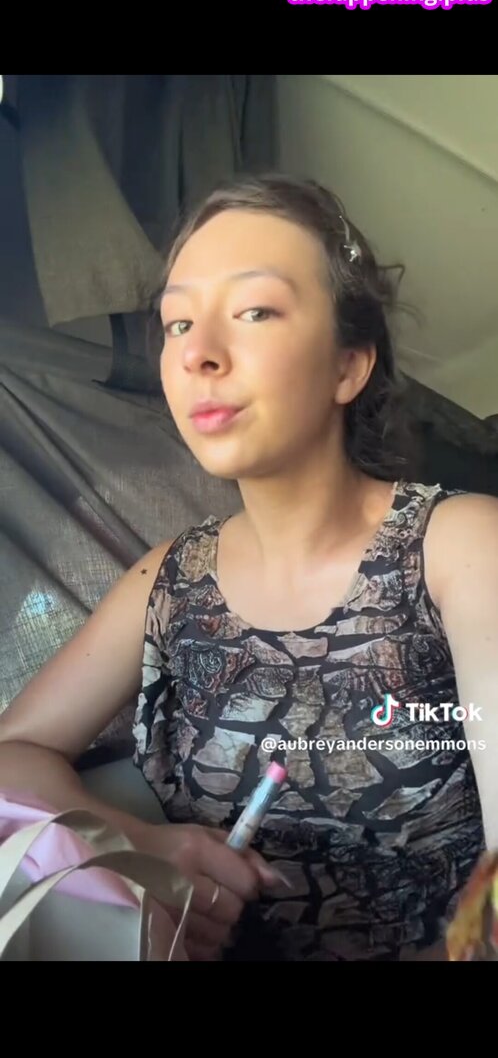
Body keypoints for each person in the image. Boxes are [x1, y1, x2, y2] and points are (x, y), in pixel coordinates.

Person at [1, 173, 497, 962]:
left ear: (348, 365)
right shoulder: (168, 582)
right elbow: (12, 754)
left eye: (255, 310)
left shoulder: (460, 546)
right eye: (177, 322)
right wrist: (140, 844)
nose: (197, 352)